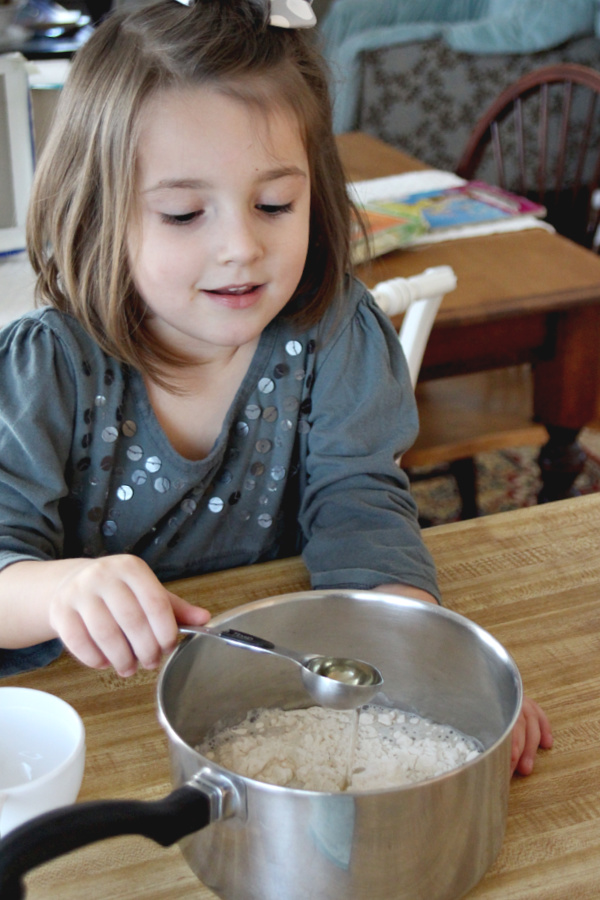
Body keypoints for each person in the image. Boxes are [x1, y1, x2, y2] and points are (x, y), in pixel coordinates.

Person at [0, 0, 551, 773]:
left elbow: (361, 511)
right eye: (184, 213)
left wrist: (432, 665)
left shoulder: (332, 333)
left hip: (275, 697)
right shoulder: (46, 369)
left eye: (273, 205)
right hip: (82, 729)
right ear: (97, 214)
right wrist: (60, 590)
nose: (241, 247)